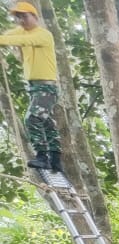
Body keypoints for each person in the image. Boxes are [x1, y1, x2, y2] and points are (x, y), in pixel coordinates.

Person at [1, 2, 59, 172]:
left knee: (32, 118)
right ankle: (56, 159)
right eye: (18, 17)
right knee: (46, 122)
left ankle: (43, 157)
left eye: (25, 16)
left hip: (46, 87)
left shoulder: (43, 35)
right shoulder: (22, 31)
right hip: (34, 87)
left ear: (35, 17)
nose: (21, 20)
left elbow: (22, 40)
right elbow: (9, 34)